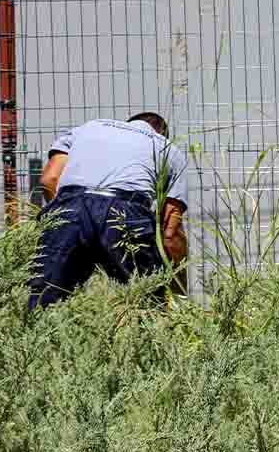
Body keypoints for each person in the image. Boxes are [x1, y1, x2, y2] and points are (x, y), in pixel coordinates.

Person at [28, 111, 192, 313]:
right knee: (148, 304)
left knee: (45, 300)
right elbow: (170, 230)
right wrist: (179, 289)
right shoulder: (168, 149)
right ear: (162, 133)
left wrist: (68, 218)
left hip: (69, 207)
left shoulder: (88, 128)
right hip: (126, 212)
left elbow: (50, 179)